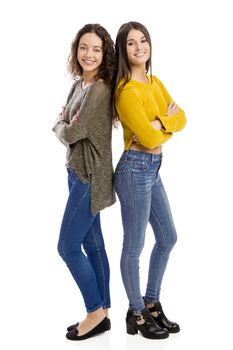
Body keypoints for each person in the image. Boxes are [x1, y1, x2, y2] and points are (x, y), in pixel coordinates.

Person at [114, 21, 186, 339]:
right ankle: (136, 312)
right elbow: (144, 134)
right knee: (134, 245)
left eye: (143, 41)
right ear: (123, 50)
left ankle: (151, 302)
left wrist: (161, 122)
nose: (140, 47)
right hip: (133, 169)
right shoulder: (126, 91)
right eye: (131, 43)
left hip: (153, 168)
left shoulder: (154, 82)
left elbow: (182, 117)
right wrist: (161, 122)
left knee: (168, 237)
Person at [52, 23, 116, 341]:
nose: (88, 54)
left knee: (67, 246)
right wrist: (64, 124)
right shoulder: (79, 84)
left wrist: (61, 125)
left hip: (90, 176)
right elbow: (67, 126)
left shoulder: (100, 89)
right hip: (75, 172)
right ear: (76, 51)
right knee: (92, 244)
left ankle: (94, 311)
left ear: (104, 54)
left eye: (95, 49)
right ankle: (103, 310)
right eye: (83, 47)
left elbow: (71, 131)